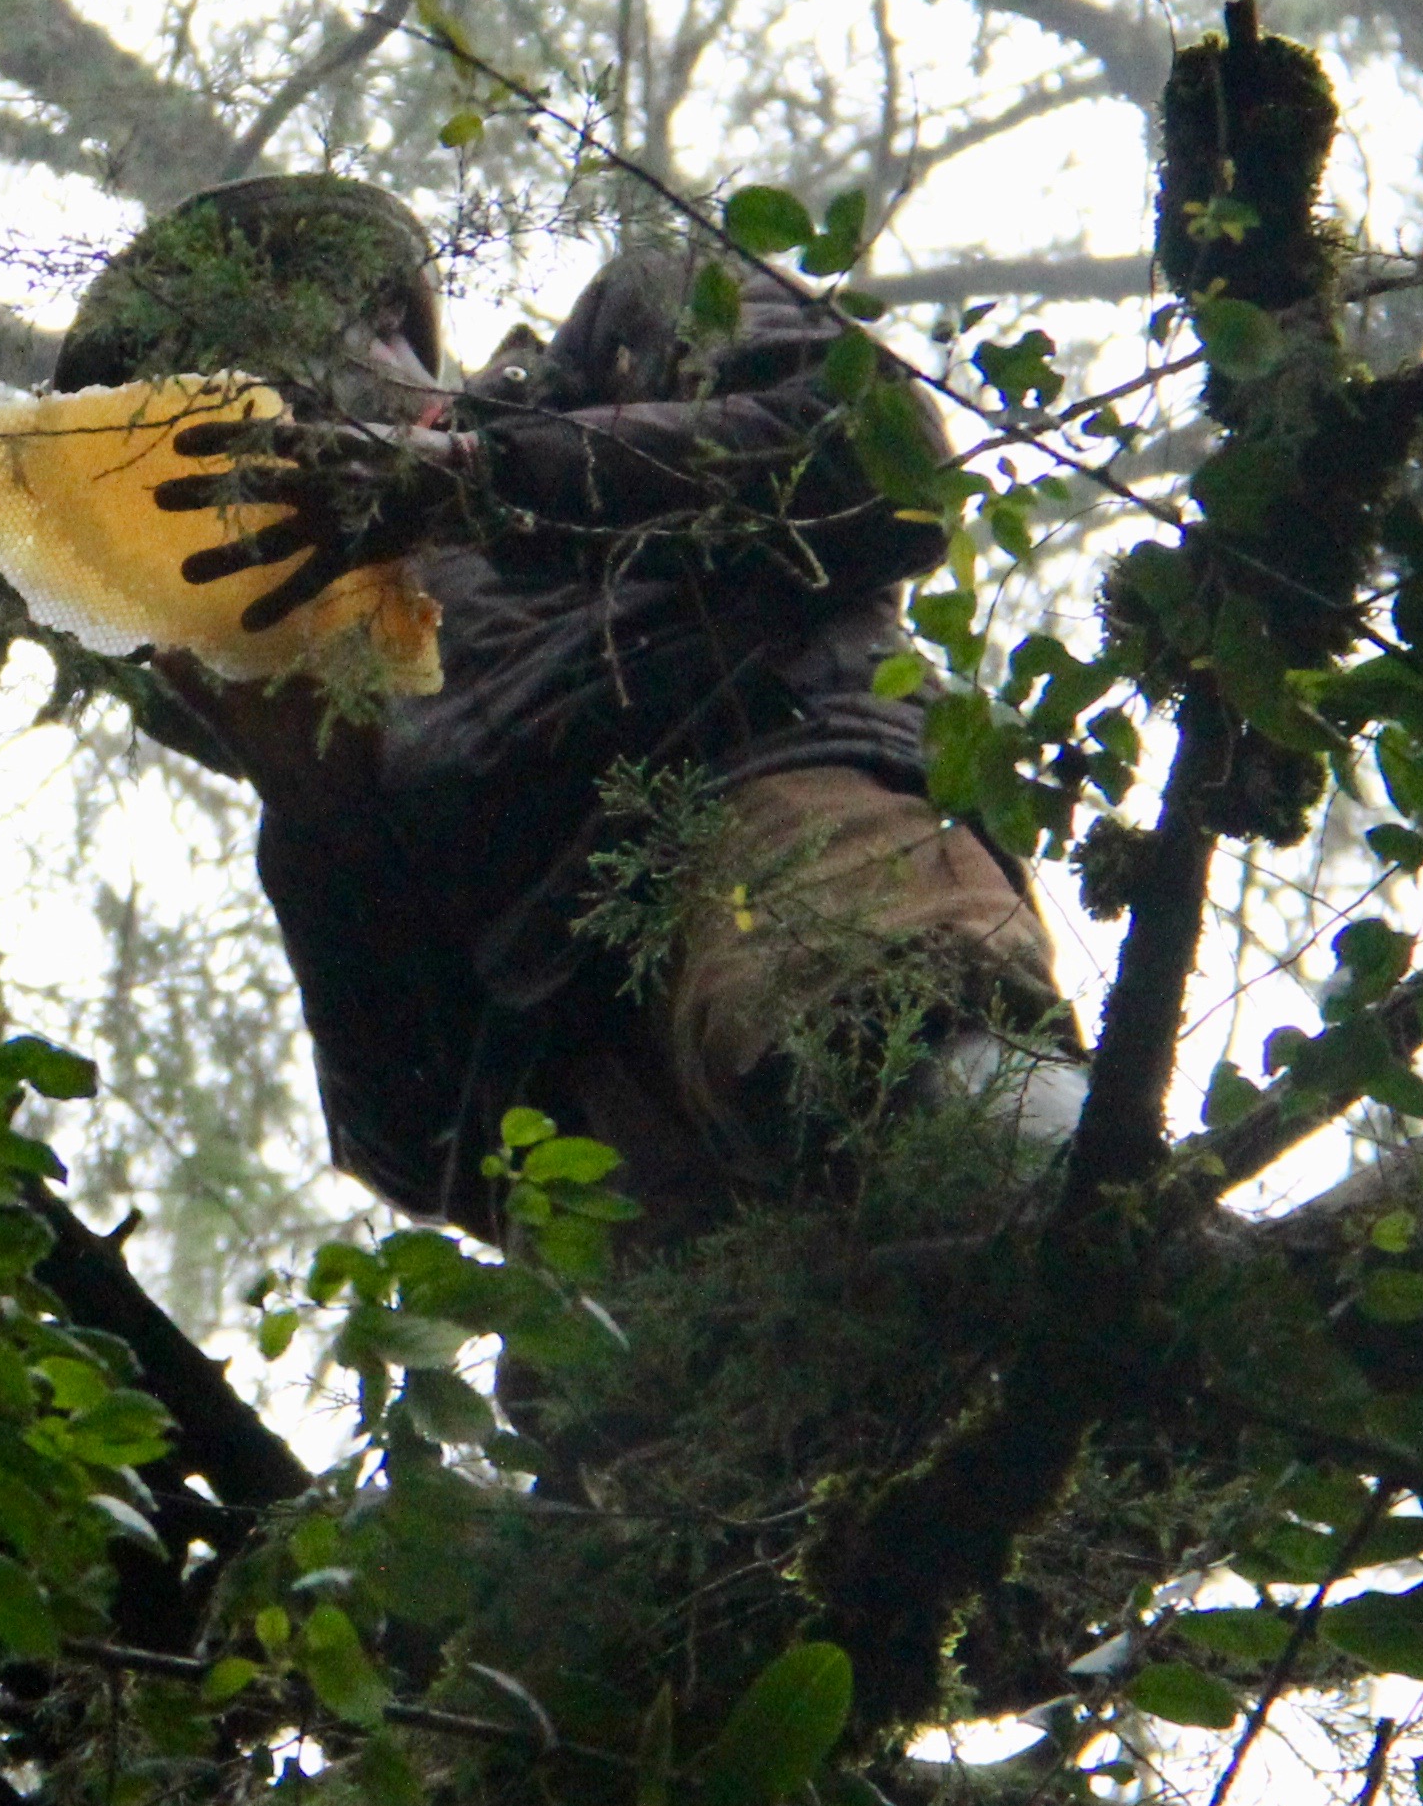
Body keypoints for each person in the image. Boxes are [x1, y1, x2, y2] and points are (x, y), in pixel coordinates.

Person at [56, 180, 1070, 1239]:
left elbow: (883, 461)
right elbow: (424, 1153)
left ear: (380, 320)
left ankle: (1149, 1259)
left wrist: (479, 478)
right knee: (661, 1386)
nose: (260, 445)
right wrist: (319, 812)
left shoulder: (612, 347)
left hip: (765, 809)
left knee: (906, 1052)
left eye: (256, 385)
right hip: (597, 1105)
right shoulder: (338, 678)